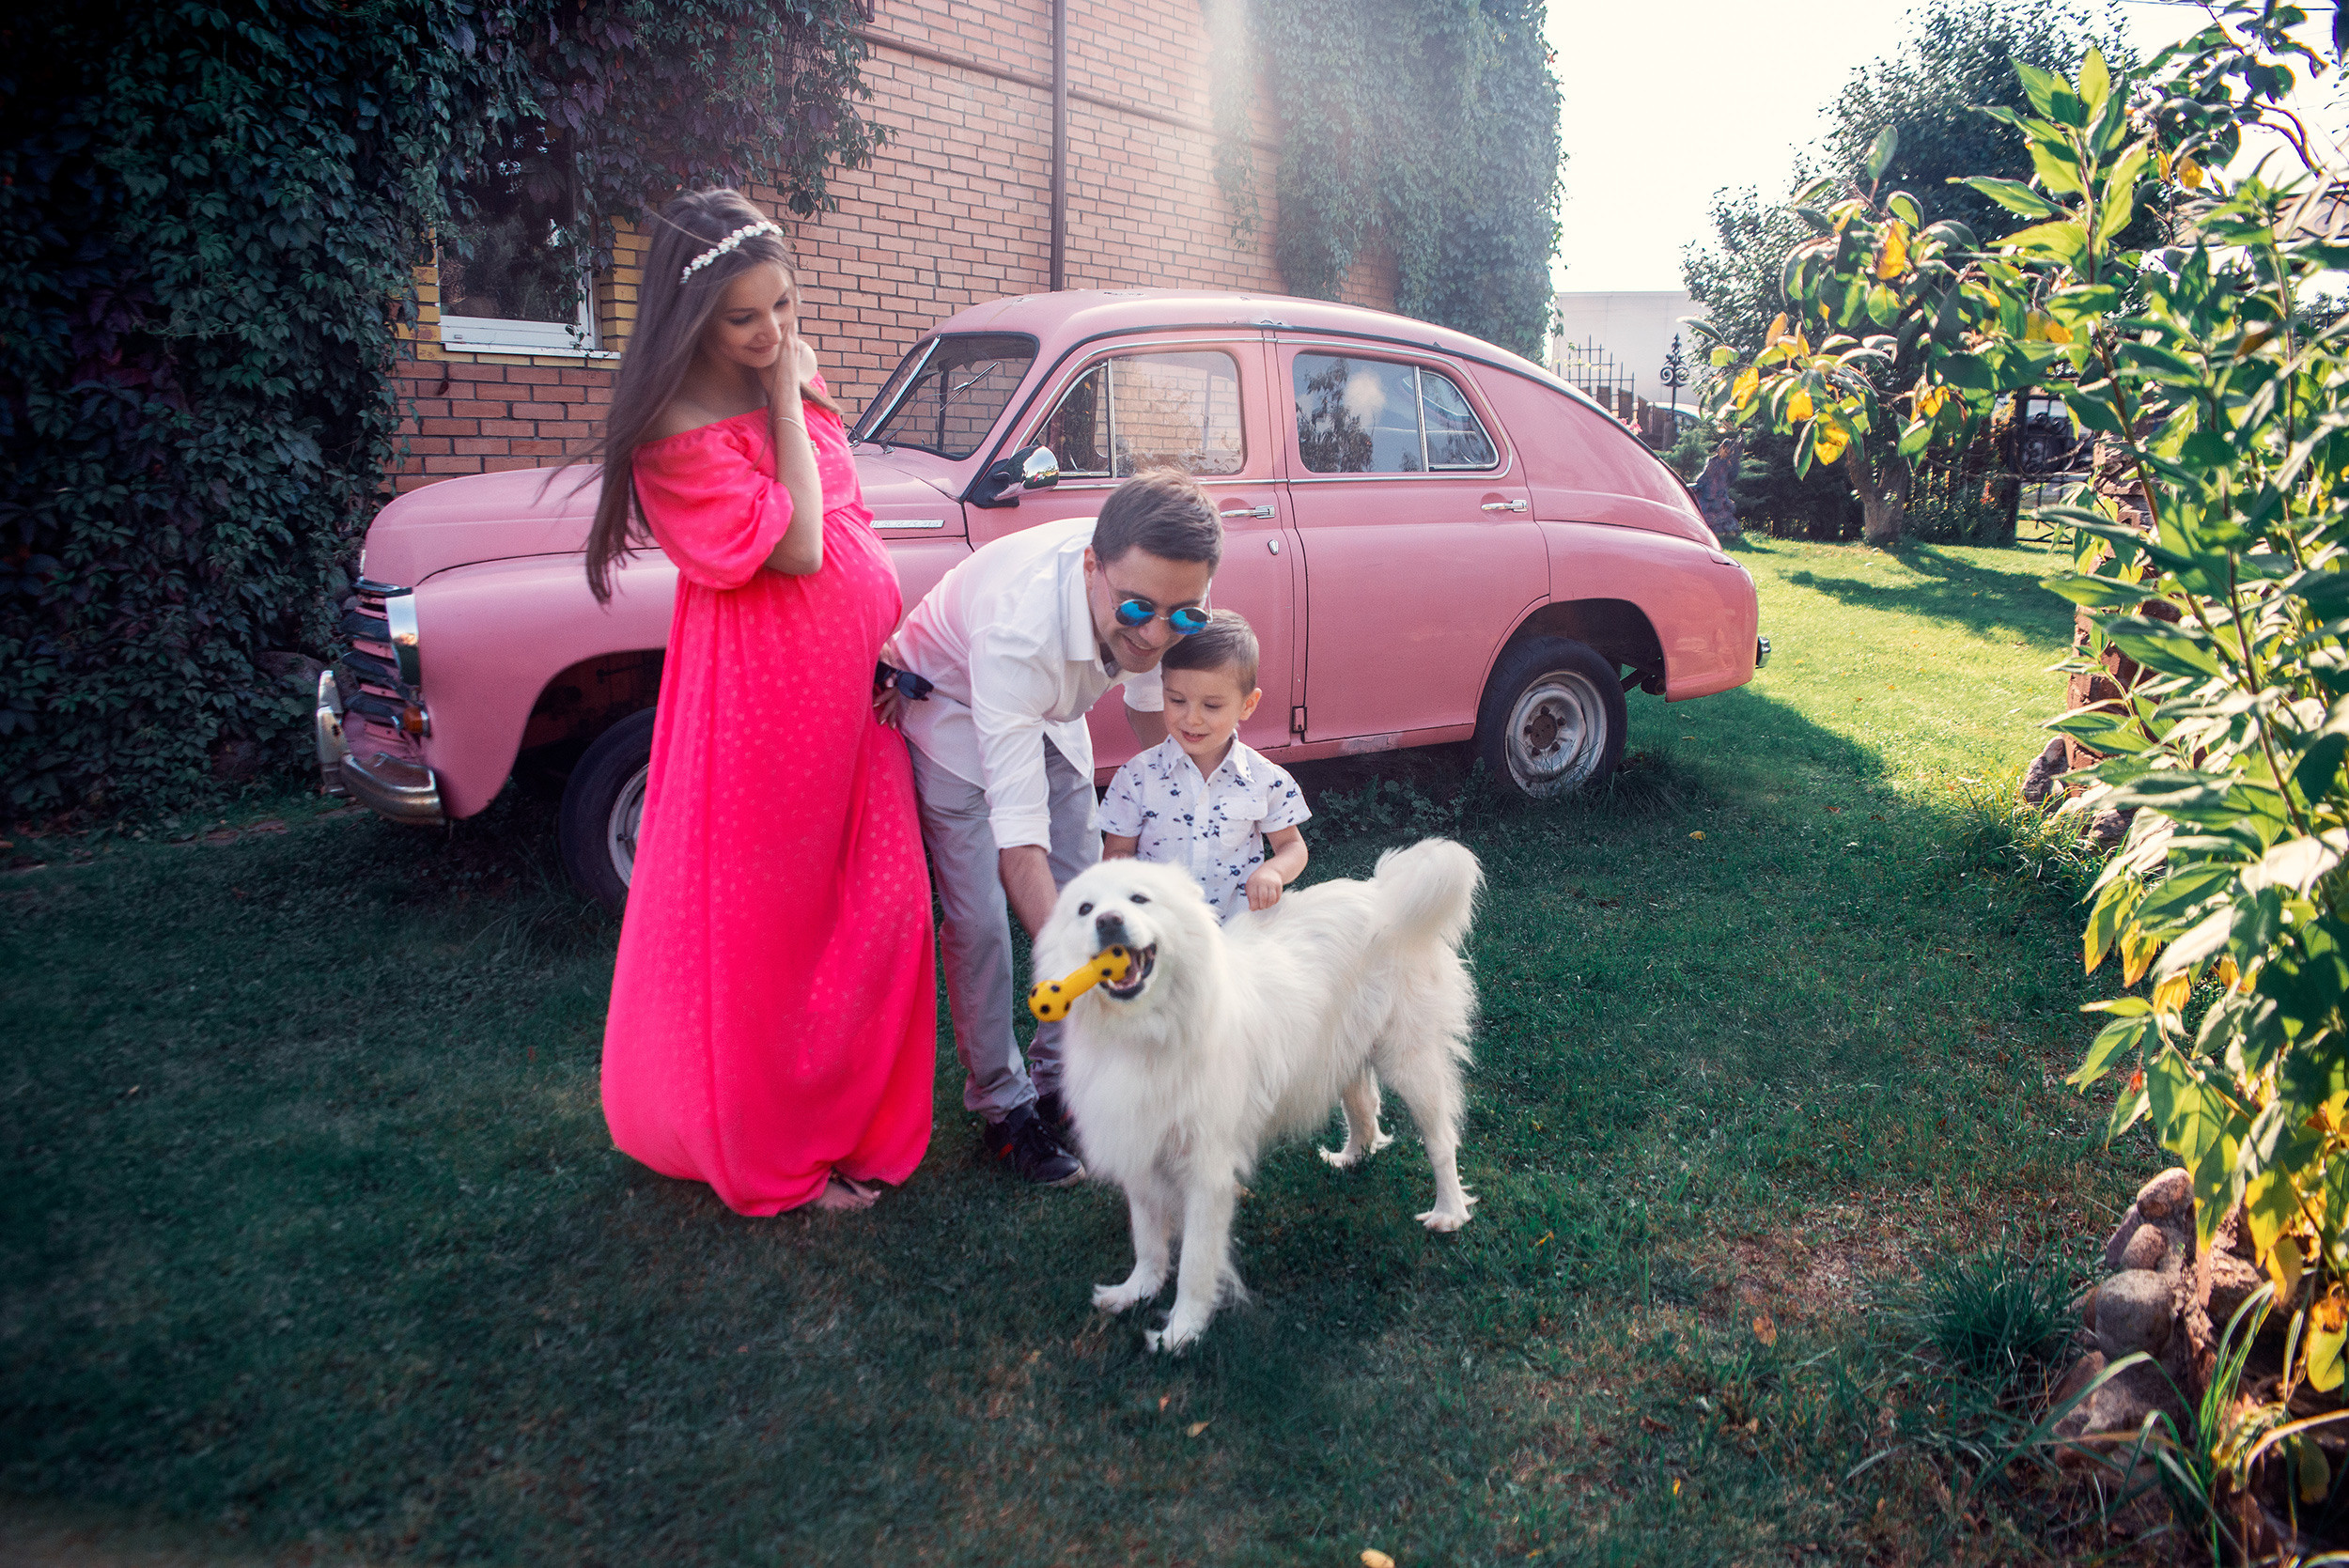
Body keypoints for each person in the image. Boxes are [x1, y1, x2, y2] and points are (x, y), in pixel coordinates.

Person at [579, 189, 935, 1216]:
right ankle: (771, 1147)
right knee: (772, 929)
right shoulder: (674, 428)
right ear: (692, 317)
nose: (774, 331)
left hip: (853, 690)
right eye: (745, 317)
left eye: (784, 304)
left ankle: (847, 1117)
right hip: (766, 701)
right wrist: (784, 394)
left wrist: (879, 635)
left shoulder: (784, 357)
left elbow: (844, 501)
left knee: (884, 907)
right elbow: (802, 544)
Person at [886, 470, 1221, 1185]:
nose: (1157, 635)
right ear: (1092, 568)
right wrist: (1094, 969)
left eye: (1184, 616)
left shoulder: (1159, 594)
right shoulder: (1020, 630)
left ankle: (1055, 1078)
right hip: (952, 703)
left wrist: (1185, 795)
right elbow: (1020, 848)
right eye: (1138, 610)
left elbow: (1145, 701)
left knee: (1083, 882)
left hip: (1048, 707)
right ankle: (1003, 1106)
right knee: (981, 922)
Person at [1099, 611, 1310, 922]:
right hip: (1161, 930)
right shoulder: (1136, 777)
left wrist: (1274, 872)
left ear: (1247, 705)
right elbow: (1117, 853)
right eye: (1176, 700)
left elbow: (1292, 846)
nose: (1192, 718)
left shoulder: (1265, 779)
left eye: (1211, 705)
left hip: (1236, 930)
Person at [1693, 435, 1743, 542]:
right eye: (1726, 449)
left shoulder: (1729, 464)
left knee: (1723, 510)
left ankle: (1724, 533)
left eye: (1730, 450)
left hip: (1720, 494)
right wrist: (1697, 485)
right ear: (1722, 448)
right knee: (1703, 510)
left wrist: (1737, 454)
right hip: (1709, 493)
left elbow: (1732, 477)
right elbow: (1704, 476)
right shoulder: (1714, 461)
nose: (1728, 452)